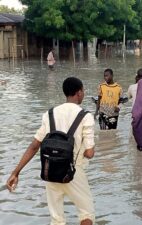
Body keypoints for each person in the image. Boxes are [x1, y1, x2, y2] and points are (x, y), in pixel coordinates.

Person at [6, 77, 95, 225]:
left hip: (50, 171)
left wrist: (16, 172)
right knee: (86, 213)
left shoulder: (49, 114)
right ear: (79, 92)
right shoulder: (85, 116)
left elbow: (34, 146)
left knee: (57, 219)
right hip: (74, 172)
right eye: (83, 91)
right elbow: (90, 153)